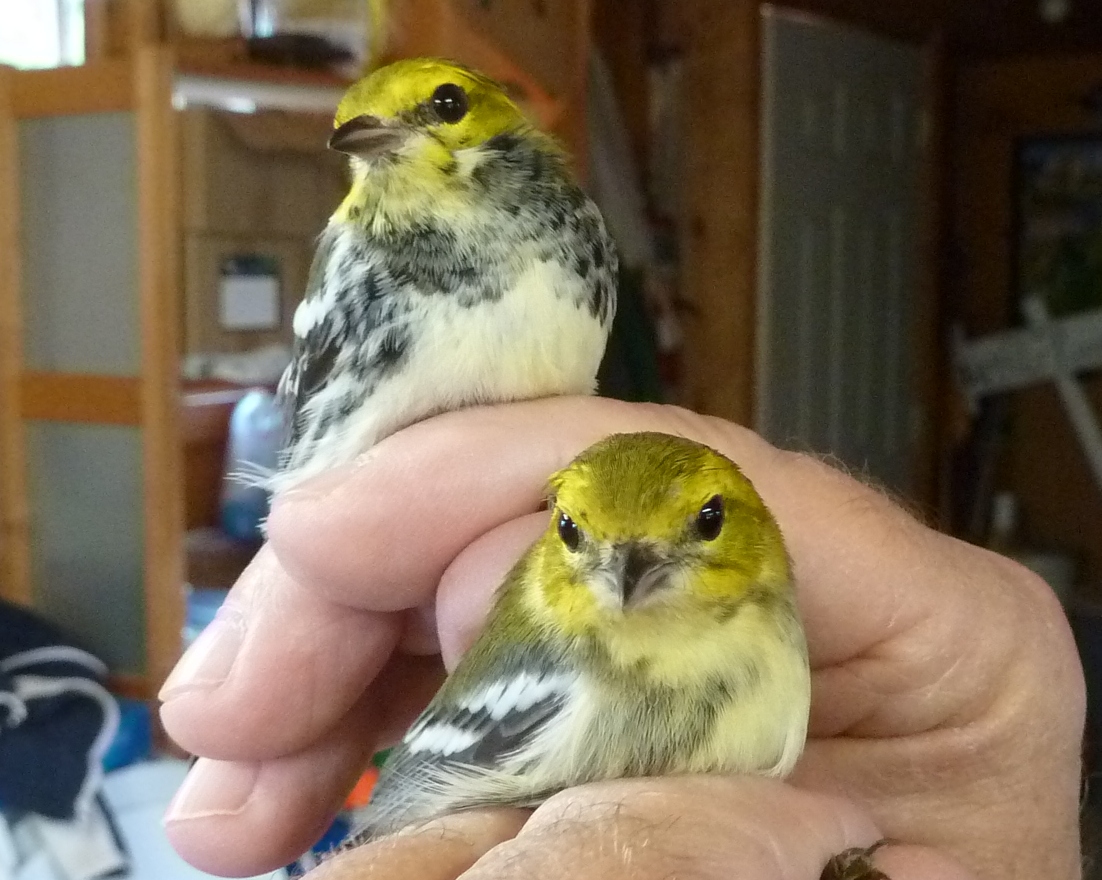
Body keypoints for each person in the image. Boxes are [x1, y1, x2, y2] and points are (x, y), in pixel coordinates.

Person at [157, 398, 1085, 880]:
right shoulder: (560, 662)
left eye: (704, 526)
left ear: (754, 524)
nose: (629, 574)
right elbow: (406, 807)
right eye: (577, 538)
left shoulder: (809, 640)